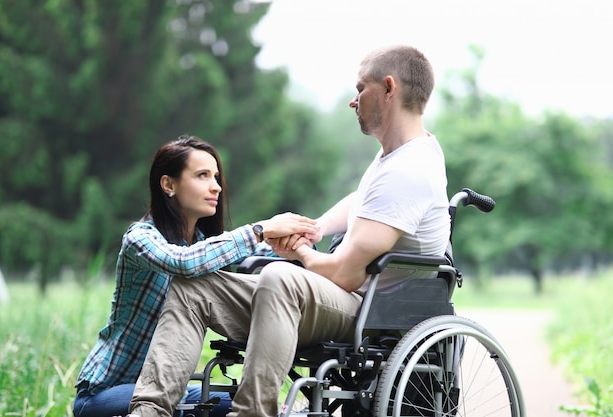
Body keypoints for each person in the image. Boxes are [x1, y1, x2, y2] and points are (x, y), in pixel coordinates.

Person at [128, 44, 451, 417]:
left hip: (373, 310)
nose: (354, 100)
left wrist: (299, 252)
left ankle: (251, 413)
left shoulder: (409, 171)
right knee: (195, 287)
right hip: (346, 300)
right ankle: (148, 412)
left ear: (389, 88)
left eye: (361, 88)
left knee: (282, 276)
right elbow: (363, 201)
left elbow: (345, 274)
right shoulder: (398, 156)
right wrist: (312, 230)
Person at [73, 135, 318, 417]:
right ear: (168, 185)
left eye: (216, 177)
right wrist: (260, 229)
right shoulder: (141, 239)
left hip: (170, 385)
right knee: (184, 407)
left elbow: (254, 257)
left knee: (255, 408)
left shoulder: (204, 243)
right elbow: (184, 263)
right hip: (106, 393)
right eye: (202, 176)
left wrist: (299, 245)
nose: (215, 187)